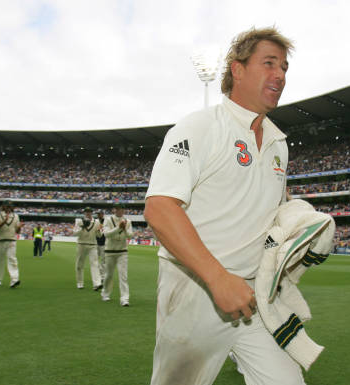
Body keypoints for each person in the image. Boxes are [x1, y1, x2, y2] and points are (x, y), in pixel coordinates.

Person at [144, 27, 299, 385]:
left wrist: (301, 229)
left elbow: (268, 214)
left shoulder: (279, 143)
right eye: (269, 63)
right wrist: (217, 278)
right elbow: (159, 207)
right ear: (238, 70)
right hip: (196, 291)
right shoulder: (200, 126)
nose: (280, 75)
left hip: (254, 296)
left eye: (285, 68)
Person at [101, 204, 133, 306]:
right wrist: (118, 228)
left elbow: (130, 235)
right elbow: (106, 234)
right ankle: (105, 293)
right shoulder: (108, 219)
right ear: (114, 210)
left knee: (123, 276)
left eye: (121, 209)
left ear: (123, 210)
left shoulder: (128, 221)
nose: (119, 211)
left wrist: (124, 229)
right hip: (110, 251)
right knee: (108, 275)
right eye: (117, 209)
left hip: (122, 252)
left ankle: (124, 298)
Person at [0, 200, 22, 288]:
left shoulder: (16, 216)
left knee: (12, 259)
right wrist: (4, 221)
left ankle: (14, 280)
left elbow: (17, 231)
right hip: (0, 240)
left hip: (11, 240)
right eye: (7, 206)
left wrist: (19, 228)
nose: (8, 208)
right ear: (3, 206)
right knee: (0, 261)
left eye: (10, 206)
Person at [73, 207, 102, 290]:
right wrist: (82, 227)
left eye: (89, 212)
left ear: (91, 213)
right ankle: (80, 283)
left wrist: (99, 230)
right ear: (84, 213)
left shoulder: (96, 222)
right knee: (79, 265)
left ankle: (97, 283)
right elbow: (74, 233)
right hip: (81, 244)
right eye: (86, 212)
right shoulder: (79, 221)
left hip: (92, 245)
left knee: (95, 264)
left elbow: (99, 235)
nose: (88, 213)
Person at [95, 211, 106, 282]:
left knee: (103, 261)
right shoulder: (95, 221)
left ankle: (102, 276)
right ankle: (98, 274)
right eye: (98, 214)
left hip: (104, 243)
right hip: (95, 243)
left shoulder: (106, 221)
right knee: (95, 260)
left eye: (100, 214)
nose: (99, 215)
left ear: (103, 214)